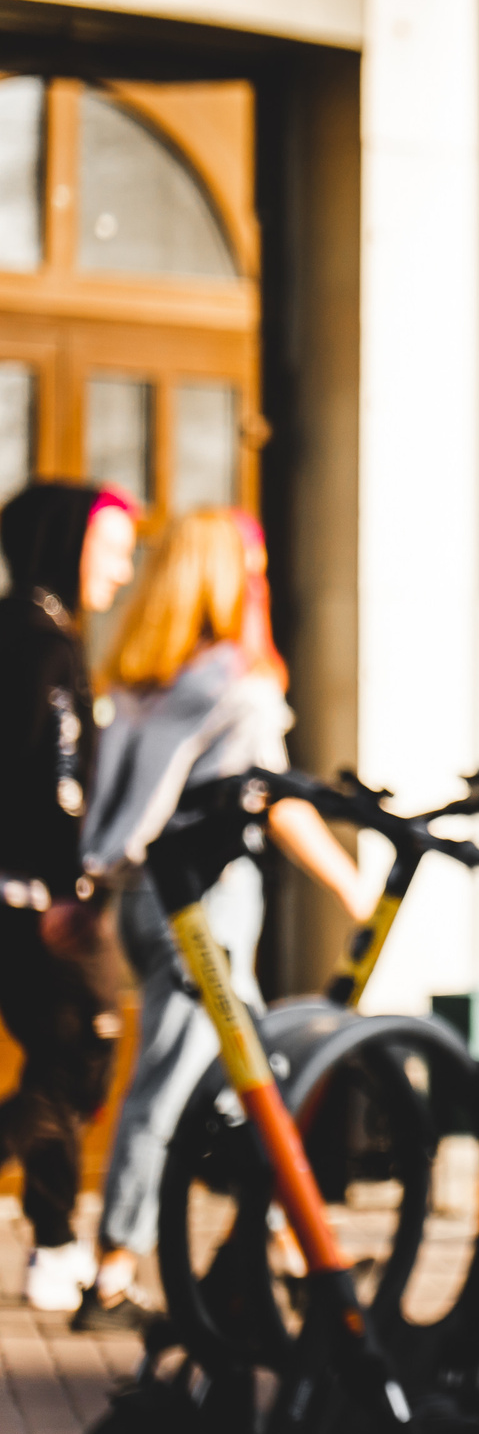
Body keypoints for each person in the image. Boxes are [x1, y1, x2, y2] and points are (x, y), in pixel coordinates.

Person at [75, 509, 372, 1332]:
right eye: (253, 566)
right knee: (171, 1081)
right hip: (204, 905)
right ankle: (113, 1268)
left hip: (149, 900)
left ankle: (294, 1250)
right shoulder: (237, 685)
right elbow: (272, 800)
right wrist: (352, 884)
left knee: (257, 1080)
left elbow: (115, 810)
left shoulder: (143, 680)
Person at [0, 483, 134, 1313]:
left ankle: (54, 1246)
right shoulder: (45, 646)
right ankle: (53, 1243)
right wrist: (65, 886)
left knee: (54, 1053)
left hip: (23, 893)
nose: (122, 570)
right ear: (64, 545)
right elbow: (55, 780)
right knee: (83, 1048)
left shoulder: (19, 629)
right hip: (39, 900)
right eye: (111, 549)